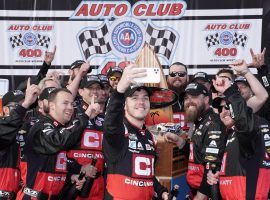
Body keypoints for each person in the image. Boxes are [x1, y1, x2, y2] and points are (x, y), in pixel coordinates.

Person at [103, 64, 169, 200]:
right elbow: (110, 123)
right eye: (134, 98)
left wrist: (161, 191)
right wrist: (120, 90)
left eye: (145, 98)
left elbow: (146, 175)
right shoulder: (119, 131)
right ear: (124, 104)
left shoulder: (150, 136)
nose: (141, 102)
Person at [16, 88, 96, 199]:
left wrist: (71, 176)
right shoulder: (41, 126)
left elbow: (53, 163)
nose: (70, 107)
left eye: (72, 104)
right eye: (65, 103)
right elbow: (56, 141)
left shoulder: (60, 129)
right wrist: (84, 116)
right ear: (52, 105)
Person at [208, 76, 268, 200]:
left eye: (228, 107)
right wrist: (221, 175)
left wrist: (231, 92)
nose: (223, 112)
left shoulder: (248, 133)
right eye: (220, 108)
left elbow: (244, 122)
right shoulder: (227, 135)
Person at [164, 82, 226, 199]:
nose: (189, 101)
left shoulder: (213, 124)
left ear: (207, 99)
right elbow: (197, 155)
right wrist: (179, 141)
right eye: (186, 98)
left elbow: (212, 166)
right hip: (196, 190)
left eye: (194, 97)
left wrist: (199, 197)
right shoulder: (198, 122)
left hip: (207, 194)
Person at [65, 74, 105, 199]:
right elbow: (58, 147)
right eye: (90, 88)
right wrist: (79, 168)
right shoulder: (70, 114)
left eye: (97, 88)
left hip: (98, 183)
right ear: (80, 91)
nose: (94, 91)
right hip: (75, 180)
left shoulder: (105, 119)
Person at [0, 79, 40, 199]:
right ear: (5, 110)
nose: (23, 109)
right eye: (17, 106)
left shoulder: (29, 127)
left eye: (24, 105)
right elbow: (7, 129)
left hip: (18, 194)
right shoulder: (3, 127)